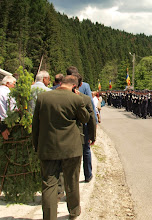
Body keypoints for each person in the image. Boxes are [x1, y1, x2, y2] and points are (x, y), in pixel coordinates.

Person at [32, 75, 90, 220]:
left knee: (49, 184)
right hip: (71, 148)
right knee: (72, 181)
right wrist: (79, 100)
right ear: (75, 86)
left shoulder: (43, 98)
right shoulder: (76, 99)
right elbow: (85, 118)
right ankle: (74, 211)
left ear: (60, 83)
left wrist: (36, 145)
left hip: (48, 147)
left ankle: (49, 217)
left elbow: (36, 125)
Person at [0, 75, 16, 140]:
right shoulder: (8, 93)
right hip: (4, 124)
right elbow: (12, 110)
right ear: (7, 83)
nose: (14, 87)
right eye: (14, 84)